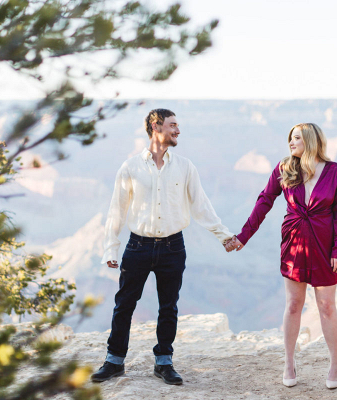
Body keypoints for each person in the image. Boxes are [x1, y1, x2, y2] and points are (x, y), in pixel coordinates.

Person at [91, 109, 235, 385]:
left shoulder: (185, 166)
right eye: (173, 125)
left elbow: (201, 206)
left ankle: (164, 362)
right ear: (156, 126)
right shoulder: (130, 167)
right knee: (124, 305)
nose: (178, 131)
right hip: (137, 246)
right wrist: (111, 248)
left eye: (178, 126)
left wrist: (224, 236)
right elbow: (116, 211)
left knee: (168, 306)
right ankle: (114, 361)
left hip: (172, 247)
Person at [227, 123, 337, 389]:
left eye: (295, 138)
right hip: (294, 244)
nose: (291, 143)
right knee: (294, 304)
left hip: (325, 246)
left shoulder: (335, 172)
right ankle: (289, 362)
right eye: (290, 138)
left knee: (327, 306)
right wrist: (243, 236)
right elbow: (264, 201)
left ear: (310, 140)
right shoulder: (285, 168)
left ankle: (335, 363)